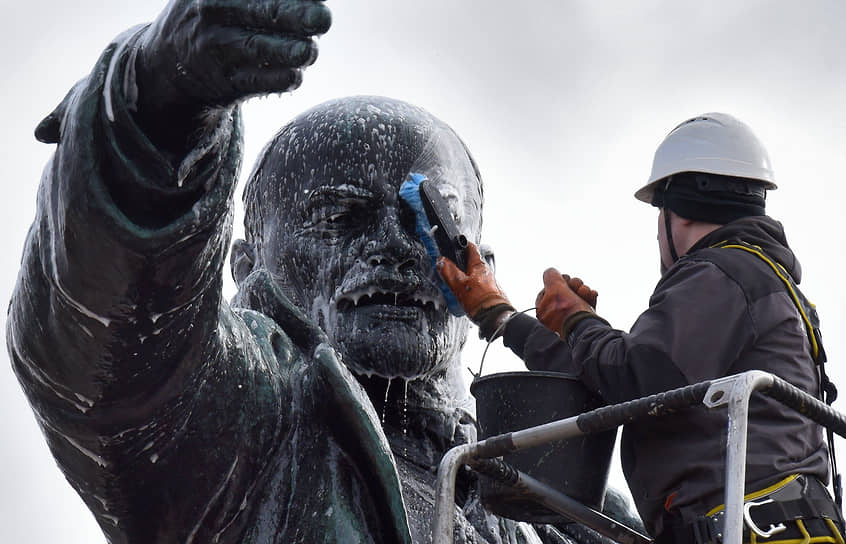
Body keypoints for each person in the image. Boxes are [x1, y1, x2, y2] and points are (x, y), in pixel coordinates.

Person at [6, 1, 630, 542]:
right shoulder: (242, 425)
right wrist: (155, 101)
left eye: (428, 223)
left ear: (484, 268)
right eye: (338, 218)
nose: (394, 246)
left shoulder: (567, 499)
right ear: (247, 263)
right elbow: (103, 339)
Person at [438, 113, 843, 543]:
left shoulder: (722, 273)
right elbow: (612, 382)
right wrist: (502, 316)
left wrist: (578, 321)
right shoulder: (753, 281)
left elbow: (637, 377)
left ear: (678, 212)